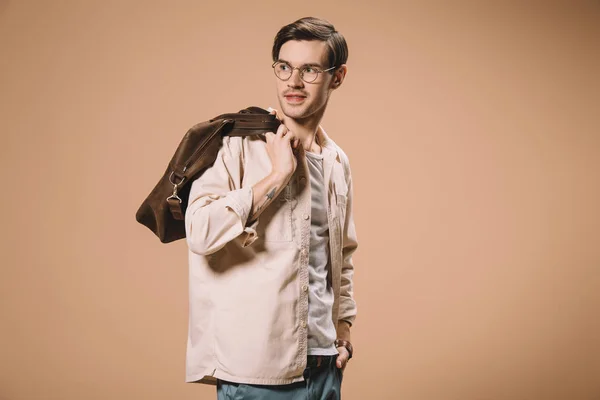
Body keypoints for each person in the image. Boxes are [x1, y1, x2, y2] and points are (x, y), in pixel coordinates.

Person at [184, 16, 358, 400]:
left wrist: (342, 329)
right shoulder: (235, 145)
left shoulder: (336, 160)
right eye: (284, 67)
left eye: (310, 70)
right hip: (256, 372)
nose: (293, 82)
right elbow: (198, 231)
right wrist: (277, 176)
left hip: (325, 363)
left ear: (337, 76)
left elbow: (341, 255)